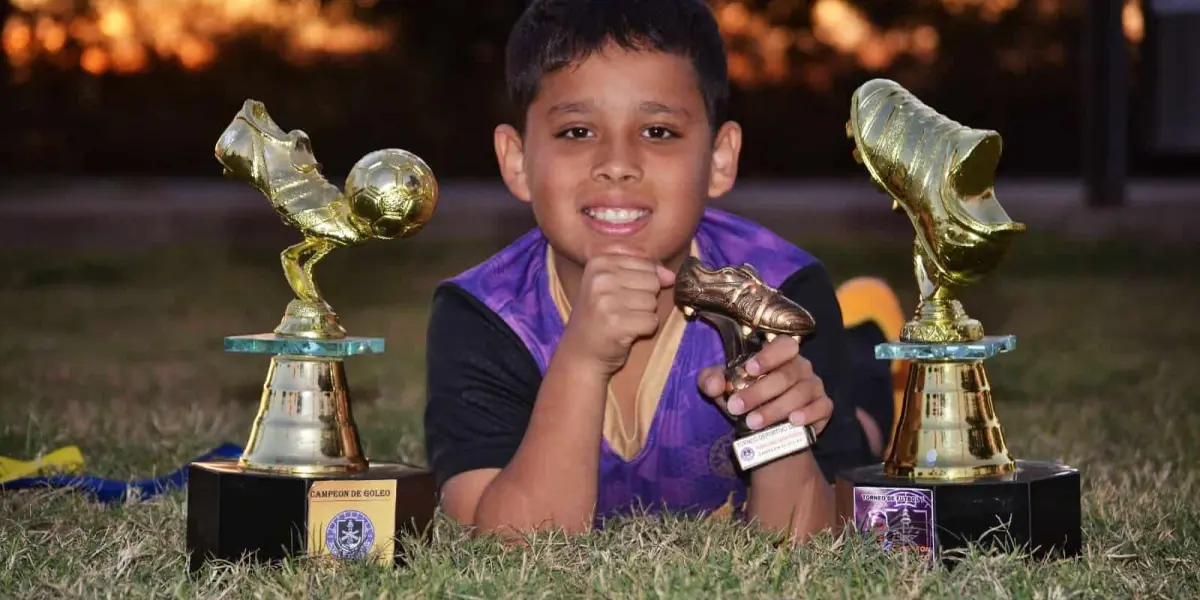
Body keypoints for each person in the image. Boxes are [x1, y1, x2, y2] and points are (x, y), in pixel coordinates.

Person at [421, 0, 906, 543]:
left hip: (821, 354)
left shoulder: (782, 291)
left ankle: (871, 348)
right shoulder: (484, 316)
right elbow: (512, 542)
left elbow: (817, 539)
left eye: (658, 131)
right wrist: (580, 359)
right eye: (577, 132)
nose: (618, 163)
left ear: (719, 159)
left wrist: (779, 428)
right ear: (517, 162)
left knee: (862, 428)